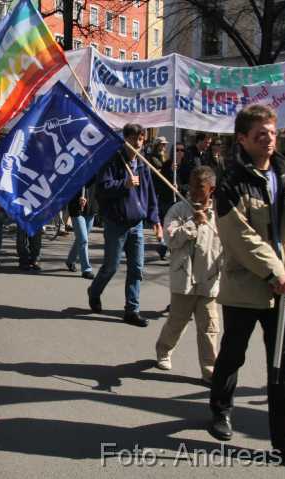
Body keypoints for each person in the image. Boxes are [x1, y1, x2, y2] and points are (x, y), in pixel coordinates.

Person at [208, 105, 285, 473]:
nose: (269, 139)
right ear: (242, 139)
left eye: (272, 132)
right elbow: (238, 236)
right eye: (260, 134)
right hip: (247, 286)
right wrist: (273, 270)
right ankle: (221, 411)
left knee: (283, 366)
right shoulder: (230, 182)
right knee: (233, 354)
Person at [88, 123, 163, 327]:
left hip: (136, 224)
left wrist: (155, 219)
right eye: (135, 139)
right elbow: (102, 188)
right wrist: (125, 184)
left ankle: (132, 310)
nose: (139, 143)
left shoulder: (142, 163)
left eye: (141, 139)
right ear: (126, 139)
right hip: (116, 223)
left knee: (136, 268)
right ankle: (94, 291)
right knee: (111, 267)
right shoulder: (112, 160)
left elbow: (149, 194)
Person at [155, 166, 222, 383]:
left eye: (199, 187)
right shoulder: (178, 210)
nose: (193, 191)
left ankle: (210, 371)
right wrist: (193, 223)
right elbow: (170, 239)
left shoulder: (221, 213)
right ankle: (164, 350)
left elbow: (230, 244)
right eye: (191, 186)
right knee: (177, 322)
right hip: (184, 278)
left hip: (209, 279)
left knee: (209, 328)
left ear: (211, 189)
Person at [65, 178, 98, 279]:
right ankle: (86, 270)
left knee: (80, 239)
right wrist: (77, 198)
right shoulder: (77, 167)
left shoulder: (98, 168)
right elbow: (68, 187)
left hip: (91, 209)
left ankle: (70, 260)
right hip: (76, 210)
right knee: (83, 239)